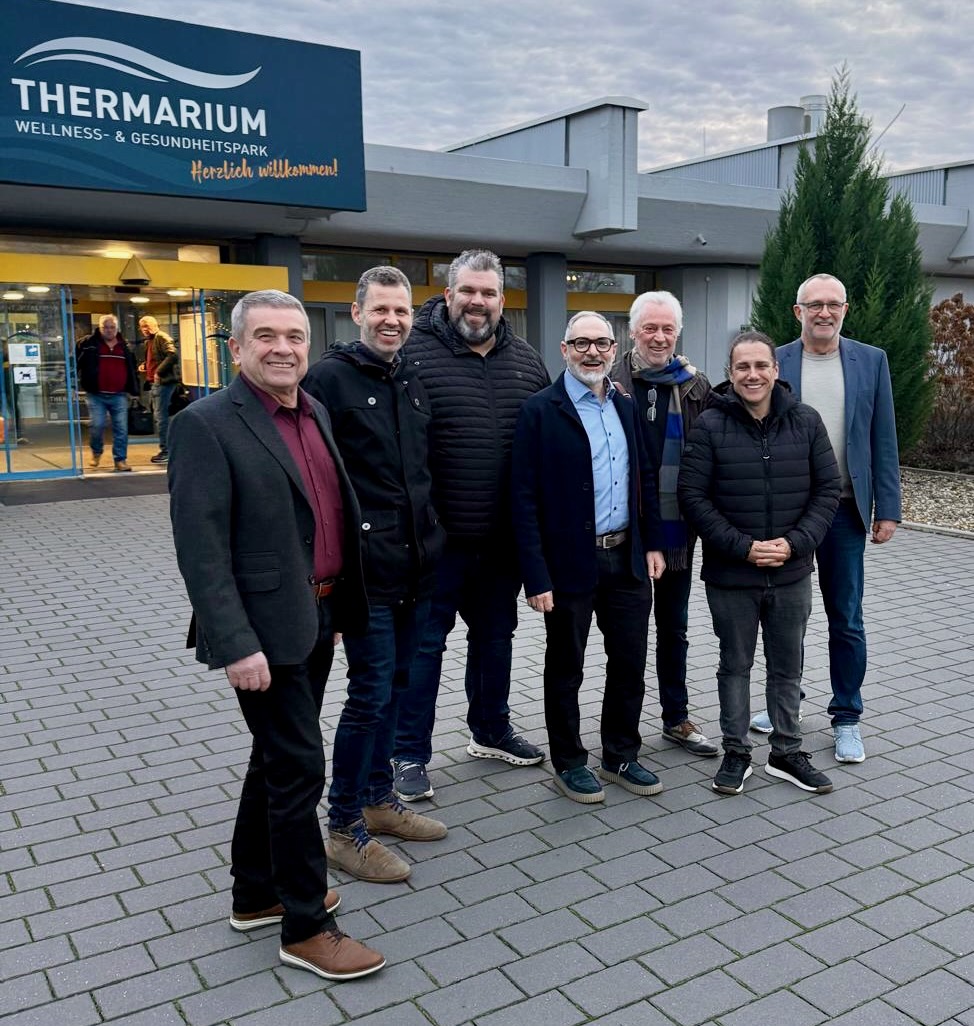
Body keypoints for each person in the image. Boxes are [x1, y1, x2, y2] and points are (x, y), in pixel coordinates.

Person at [167, 289, 384, 981]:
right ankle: (304, 925)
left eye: (294, 335)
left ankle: (256, 893)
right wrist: (235, 643)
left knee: (274, 759)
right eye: (266, 335)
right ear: (236, 348)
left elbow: (327, 518)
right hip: (261, 633)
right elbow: (200, 548)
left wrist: (343, 607)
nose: (284, 347)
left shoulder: (312, 409)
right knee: (298, 770)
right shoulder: (206, 424)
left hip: (316, 616)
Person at [303, 266, 447, 882]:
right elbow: (315, 487)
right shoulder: (327, 381)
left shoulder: (410, 376)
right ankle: (342, 826)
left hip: (416, 565)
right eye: (381, 310)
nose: (392, 320)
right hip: (366, 575)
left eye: (402, 311)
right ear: (357, 312)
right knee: (369, 692)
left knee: (398, 686)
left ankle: (379, 797)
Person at [391, 249, 550, 801]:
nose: (477, 302)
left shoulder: (527, 361)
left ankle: (490, 729)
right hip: (435, 544)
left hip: (500, 543)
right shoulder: (409, 353)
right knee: (423, 648)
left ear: (502, 300)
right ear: (448, 292)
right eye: (467, 291)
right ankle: (408, 754)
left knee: (494, 638)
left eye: (488, 293)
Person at [512, 312, 666, 803]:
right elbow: (523, 498)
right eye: (581, 344)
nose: (592, 352)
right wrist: (535, 576)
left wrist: (655, 542)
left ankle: (621, 754)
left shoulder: (623, 405)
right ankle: (570, 762)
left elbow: (645, 478)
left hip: (627, 559)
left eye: (601, 343)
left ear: (615, 351)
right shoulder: (540, 410)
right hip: (568, 565)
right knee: (566, 667)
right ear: (563, 349)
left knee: (629, 664)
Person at [679, 331, 840, 796]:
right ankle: (736, 752)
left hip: (791, 571)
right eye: (742, 367)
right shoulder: (710, 425)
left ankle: (788, 752)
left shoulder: (806, 422)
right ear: (731, 374)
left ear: (776, 370)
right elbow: (693, 496)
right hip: (732, 573)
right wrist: (743, 547)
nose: (752, 375)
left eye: (761, 366)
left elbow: (827, 490)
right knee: (735, 665)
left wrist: (795, 543)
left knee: (788, 665)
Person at [750, 274, 901, 764]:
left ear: (845, 309)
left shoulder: (871, 361)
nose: (824, 313)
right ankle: (783, 705)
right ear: (798, 312)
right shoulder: (777, 360)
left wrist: (888, 507)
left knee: (846, 616)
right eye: (814, 304)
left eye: (833, 304)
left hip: (843, 510)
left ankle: (847, 716)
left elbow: (883, 437)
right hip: (787, 509)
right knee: (784, 616)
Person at [613, 290, 717, 757]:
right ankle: (621, 728)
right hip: (622, 528)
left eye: (667, 328)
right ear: (632, 332)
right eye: (649, 328)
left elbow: (716, 455)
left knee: (673, 627)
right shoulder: (610, 382)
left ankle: (676, 717)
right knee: (626, 632)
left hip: (676, 530)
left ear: (678, 332)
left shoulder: (699, 387)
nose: (658, 337)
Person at [76, 314, 139, 472]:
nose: (109, 330)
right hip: (96, 394)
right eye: (106, 327)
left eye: (112, 327)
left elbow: (131, 369)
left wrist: (134, 391)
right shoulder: (88, 343)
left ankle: (120, 460)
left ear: (117, 328)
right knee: (97, 425)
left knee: (121, 428)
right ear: (100, 327)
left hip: (119, 395)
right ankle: (96, 452)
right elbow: (75, 363)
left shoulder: (124, 346)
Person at [139, 315, 179, 464]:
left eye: (147, 326)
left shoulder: (161, 337)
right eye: (143, 327)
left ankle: (166, 450)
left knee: (161, 417)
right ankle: (167, 449)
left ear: (155, 325)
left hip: (163, 382)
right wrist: (146, 365)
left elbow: (172, 355)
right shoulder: (149, 341)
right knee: (160, 416)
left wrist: (158, 372)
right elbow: (157, 358)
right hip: (156, 383)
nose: (145, 330)